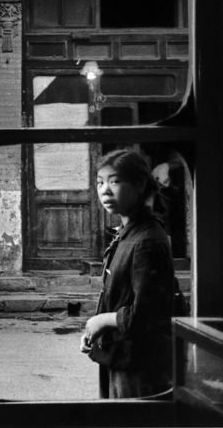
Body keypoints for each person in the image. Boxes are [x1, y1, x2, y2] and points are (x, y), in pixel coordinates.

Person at [80, 149, 176, 399]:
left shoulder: (145, 241)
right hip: (121, 354)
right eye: (100, 183)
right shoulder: (128, 233)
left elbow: (147, 313)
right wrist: (96, 331)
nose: (104, 191)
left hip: (138, 364)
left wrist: (101, 321)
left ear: (140, 184)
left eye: (115, 181)